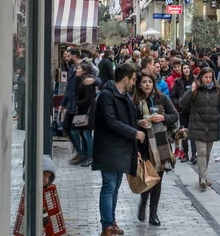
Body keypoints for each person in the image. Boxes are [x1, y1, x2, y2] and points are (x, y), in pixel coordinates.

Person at [93, 63, 145, 236]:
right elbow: (111, 122)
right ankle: (106, 226)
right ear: (125, 78)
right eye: (133, 79)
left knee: (114, 188)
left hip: (122, 149)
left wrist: (137, 128)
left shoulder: (125, 96)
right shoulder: (106, 96)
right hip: (108, 149)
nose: (134, 82)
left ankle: (111, 221)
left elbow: (126, 120)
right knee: (109, 186)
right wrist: (135, 133)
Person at [133, 71, 178, 227]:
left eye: (150, 82)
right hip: (143, 143)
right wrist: (139, 123)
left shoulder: (161, 98)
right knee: (147, 178)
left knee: (157, 180)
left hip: (160, 144)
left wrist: (163, 118)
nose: (147, 84)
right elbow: (129, 121)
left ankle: (153, 213)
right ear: (139, 84)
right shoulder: (134, 101)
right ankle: (143, 203)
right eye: (144, 82)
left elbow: (175, 115)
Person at [179, 67, 220, 190]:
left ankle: (204, 177)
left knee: (207, 153)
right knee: (201, 152)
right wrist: (191, 90)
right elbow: (182, 103)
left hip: (211, 125)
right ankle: (202, 178)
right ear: (201, 77)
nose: (208, 80)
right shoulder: (196, 90)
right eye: (205, 77)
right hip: (197, 125)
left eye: (210, 77)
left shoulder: (216, 90)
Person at [171, 62, 197, 163]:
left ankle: (194, 154)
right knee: (183, 133)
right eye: (184, 68)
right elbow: (173, 96)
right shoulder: (178, 81)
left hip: (193, 110)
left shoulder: (195, 80)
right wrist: (178, 103)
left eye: (187, 68)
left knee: (193, 133)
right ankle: (185, 153)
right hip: (183, 111)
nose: (186, 70)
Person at [74, 62, 97, 167]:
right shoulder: (82, 80)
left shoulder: (86, 81)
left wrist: (77, 103)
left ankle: (90, 157)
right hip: (86, 112)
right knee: (84, 134)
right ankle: (86, 155)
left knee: (87, 135)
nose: (76, 70)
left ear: (84, 70)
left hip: (89, 113)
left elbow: (89, 99)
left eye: (78, 68)